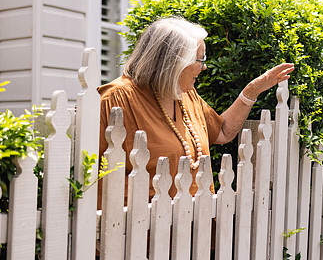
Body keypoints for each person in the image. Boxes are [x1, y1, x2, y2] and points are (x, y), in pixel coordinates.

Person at [98, 16, 294, 201]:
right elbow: (94, 177)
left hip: (197, 227)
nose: (204, 67)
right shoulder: (116, 99)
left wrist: (251, 91)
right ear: (173, 62)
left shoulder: (184, 94)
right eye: (199, 59)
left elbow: (223, 132)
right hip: (144, 229)